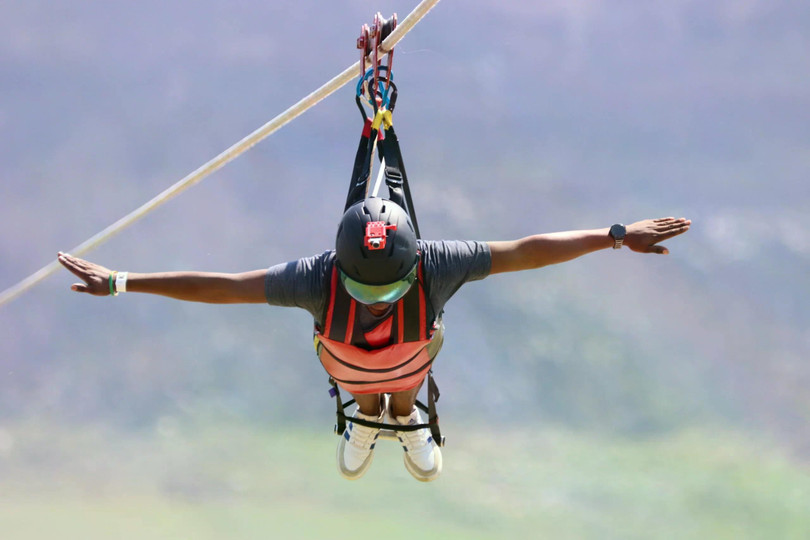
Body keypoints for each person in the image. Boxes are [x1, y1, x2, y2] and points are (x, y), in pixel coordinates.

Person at [57, 204, 690, 482]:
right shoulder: (316, 278)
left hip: (407, 360)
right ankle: (371, 412)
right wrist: (122, 282)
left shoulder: (438, 264)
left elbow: (526, 251)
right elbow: (223, 287)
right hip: (351, 367)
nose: (373, 301)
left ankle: (401, 410)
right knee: (370, 357)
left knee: (409, 345)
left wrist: (615, 235)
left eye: (386, 292)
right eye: (365, 292)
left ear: (413, 266)